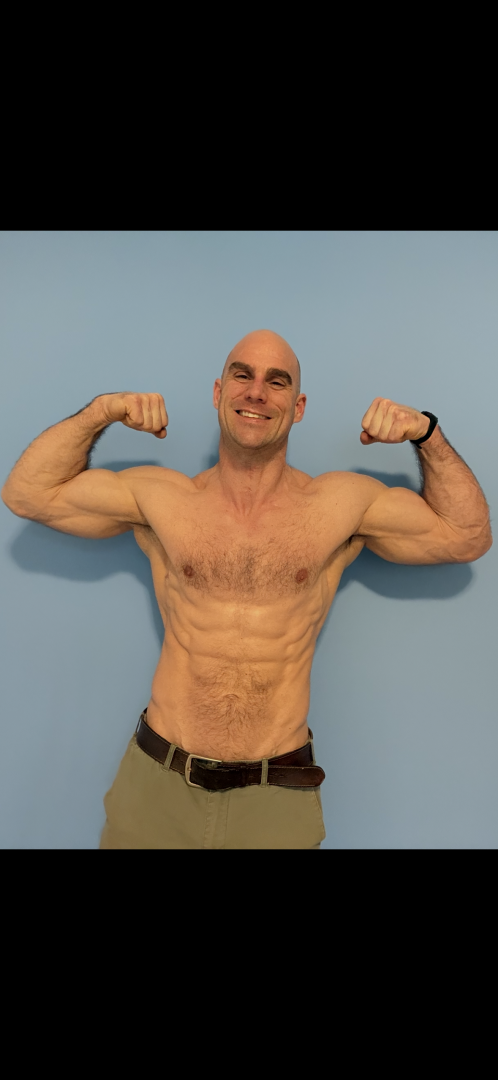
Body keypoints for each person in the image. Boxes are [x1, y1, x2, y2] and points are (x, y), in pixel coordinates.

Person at [1, 330, 492, 848]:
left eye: (277, 382)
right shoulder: (163, 498)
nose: (256, 392)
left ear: (298, 407)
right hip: (158, 786)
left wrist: (426, 433)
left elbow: (467, 536)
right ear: (219, 392)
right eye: (242, 375)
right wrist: (102, 411)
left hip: (274, 795)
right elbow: (28, 493)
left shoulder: (339, 505)